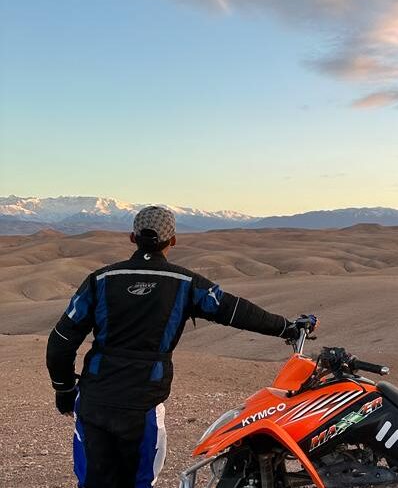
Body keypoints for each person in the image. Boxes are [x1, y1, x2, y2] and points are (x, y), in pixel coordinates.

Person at [46, 206, 316, 488]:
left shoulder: (101, 280)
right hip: (143, 406)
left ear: (132, 237)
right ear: (172, 240)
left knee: (92, 481)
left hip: (95, 401)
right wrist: (287, 327)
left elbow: (60, 342)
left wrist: (64, 389)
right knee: (139, 482)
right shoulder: (185, 283)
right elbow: (235, 310)